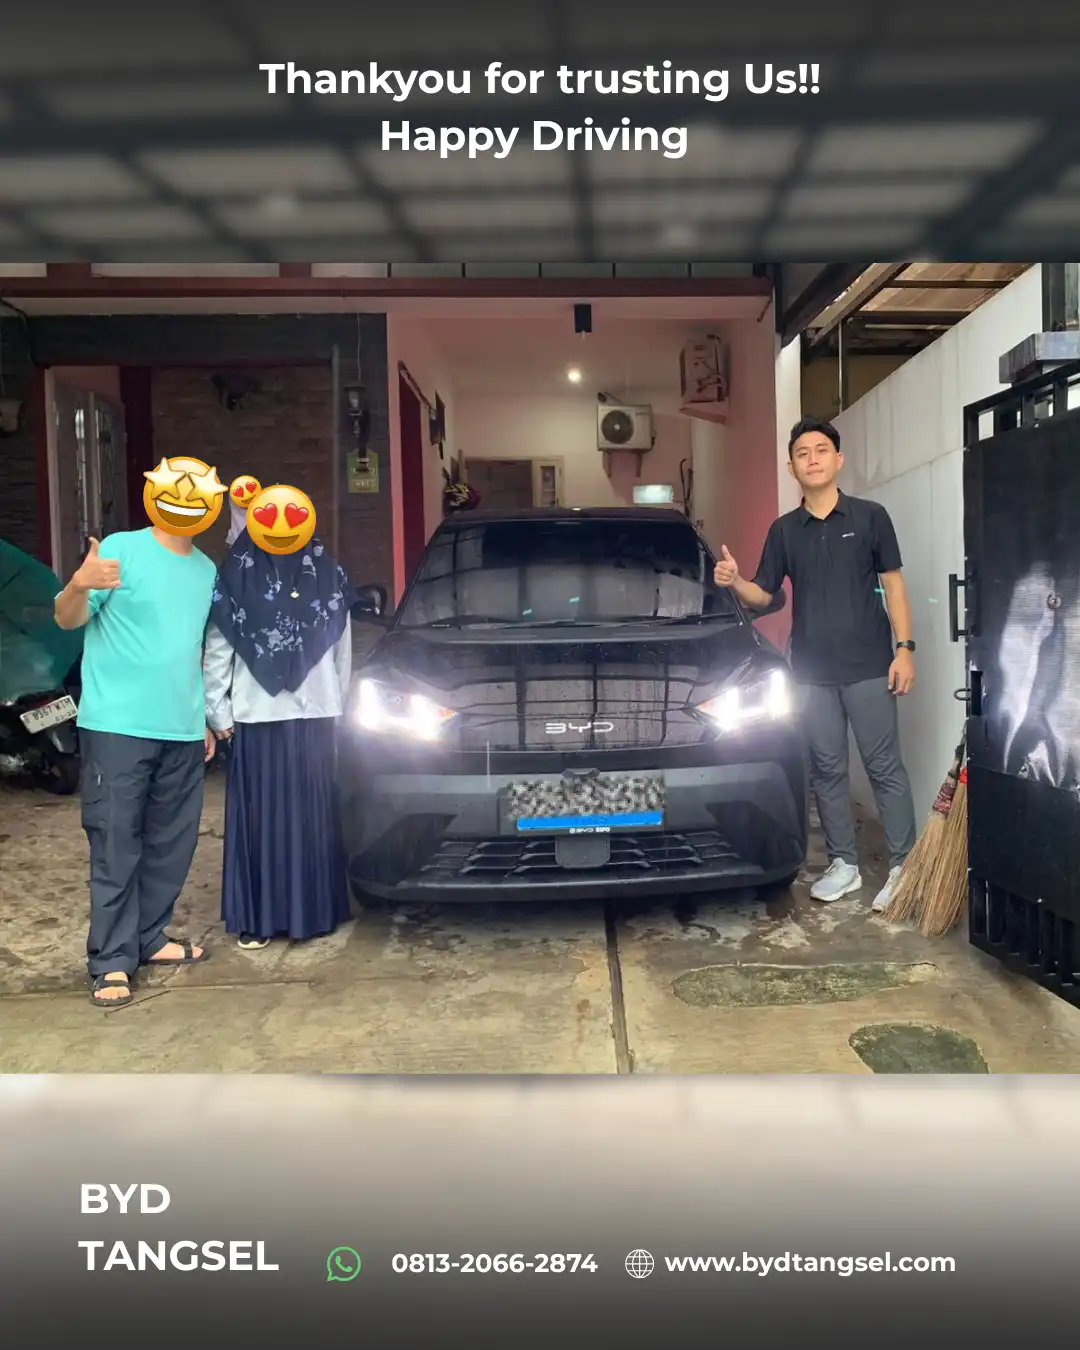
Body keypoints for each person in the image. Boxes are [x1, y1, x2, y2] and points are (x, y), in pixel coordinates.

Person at [713, 416, 918, 913]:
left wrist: (905, 648)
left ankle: (903, 868)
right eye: (802, 453)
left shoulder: (870, 517)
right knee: (826, 769)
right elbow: (765, 596)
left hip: (869, 665)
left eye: (821, 450)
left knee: (883, 767)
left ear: (838, 459)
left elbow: (893, 585)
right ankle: (843, 863)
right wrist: (735, 581)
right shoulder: (785, 530)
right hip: (809, 672)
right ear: (792, 467)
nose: (812, 459)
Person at [54, 529, 218, 1008]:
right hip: (117, 725)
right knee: (115, 839)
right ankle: (111, 958)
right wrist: (78, 585)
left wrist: (202, 719)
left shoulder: (205, 568)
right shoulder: (120, 550)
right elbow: (66, 619)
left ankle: (148, 937)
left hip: (182, 729)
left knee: (172, 842)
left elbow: (191, 648)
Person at [202, 529, 353, 950]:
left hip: (297, 716)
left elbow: (342, 646)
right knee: (276, 819)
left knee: (292, 819)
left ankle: (287, 917)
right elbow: (221, 644)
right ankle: (284, 916)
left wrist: (219, 708)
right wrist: (217, 710)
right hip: (268, 717)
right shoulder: (241, 577)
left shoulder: (324, 575)